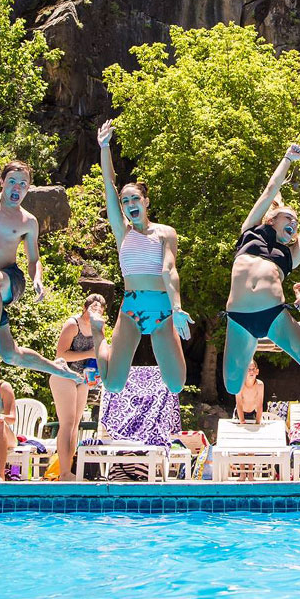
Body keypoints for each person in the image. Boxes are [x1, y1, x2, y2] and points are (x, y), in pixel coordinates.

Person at [0, 93, 80, 385]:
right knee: (11, 353)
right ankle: (58, 369)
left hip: (9, 279)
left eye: (23, 184)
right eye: (12, 182)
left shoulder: (28, 221)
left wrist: (37, 278)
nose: (17, 188)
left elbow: (33, 259)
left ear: (28, 189)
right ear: (2, 182)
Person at [222, 143, 300, 395]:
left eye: (296, 222)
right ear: (272, 219)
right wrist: (287, 159)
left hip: (274, 316)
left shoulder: (289, 255)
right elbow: (270, 190)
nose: (294, 223)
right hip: (238, 318)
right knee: (232, 387)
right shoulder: (249, 232)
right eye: (289, 218)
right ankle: (250, 343)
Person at [94, 120, 192, 394]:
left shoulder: (165, 233)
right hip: (131, 308)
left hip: (162, 309)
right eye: (125, 201)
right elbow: (109, 184)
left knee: (176, 385)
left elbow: (169, 270)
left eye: (135, 199)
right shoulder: (122, 231)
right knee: (113, 385)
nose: (129, 204)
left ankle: (170, 322)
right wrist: (104, 147)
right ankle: (97, 332)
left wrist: (177, 309)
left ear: (146, 201)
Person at [49, 294, 106, 481]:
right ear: (85, 308)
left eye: (100, 309)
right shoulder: (73, 324)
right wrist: (90, 353)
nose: (96, 311)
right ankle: (64, 472)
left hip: (83, 378)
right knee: (67, 422)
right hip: (64, 374)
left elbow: (100, 353)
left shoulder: (99, 327)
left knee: (75, 425)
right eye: (93, 307)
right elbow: (61, 354)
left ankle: (68, 471)